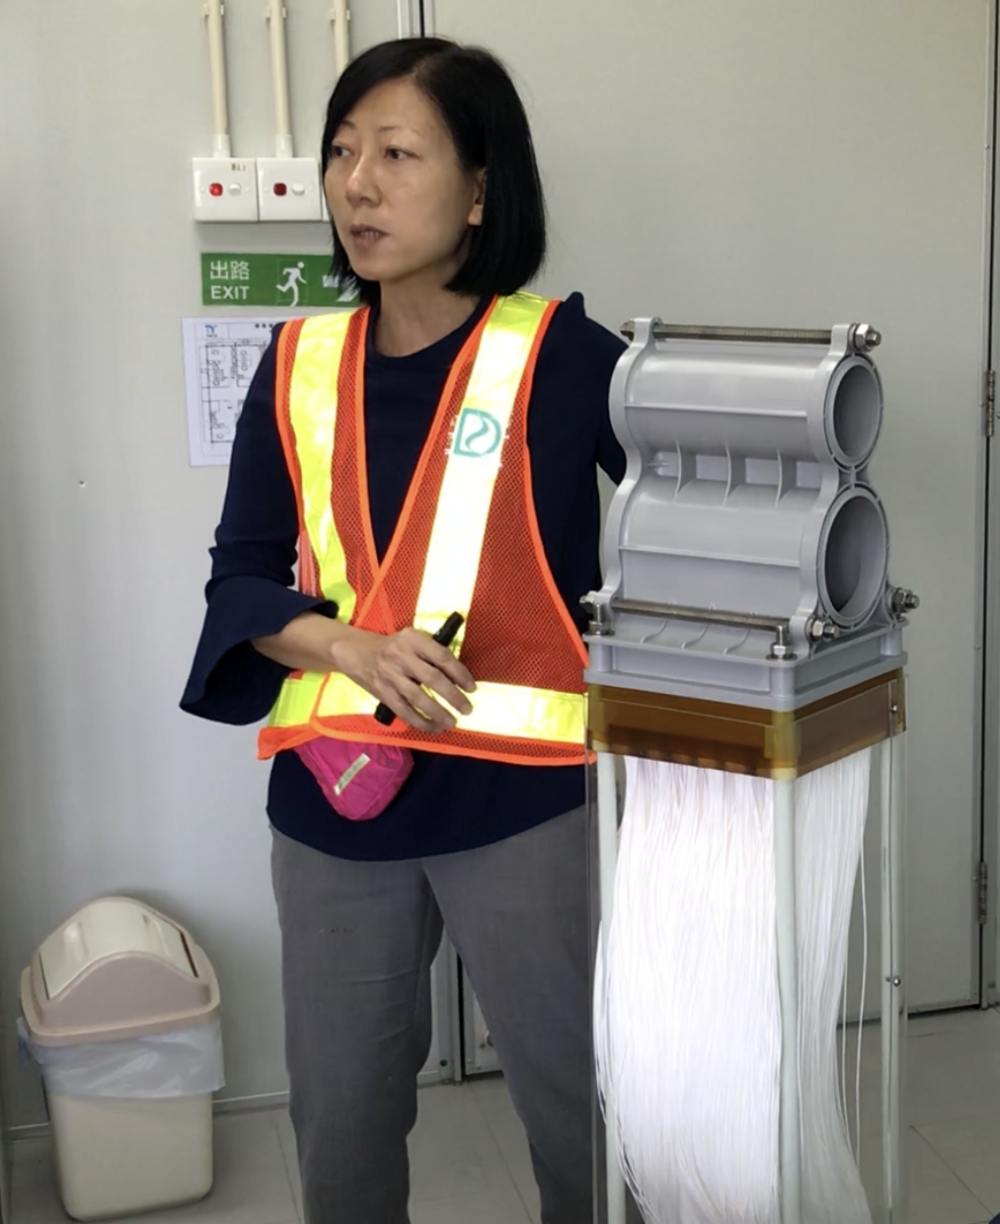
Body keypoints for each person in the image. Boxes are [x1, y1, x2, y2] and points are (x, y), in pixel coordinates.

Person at [182, 36, 626, 1224]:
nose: (355, 185)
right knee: (341, 1117)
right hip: (338, 799)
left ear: (480, 189)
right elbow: (239, 581)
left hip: (524, 800)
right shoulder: (297, 362)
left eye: (396, 153)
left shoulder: (569, 358)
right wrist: (346, 648)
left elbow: (695, 521)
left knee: (578, 1105)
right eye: (339, 152)